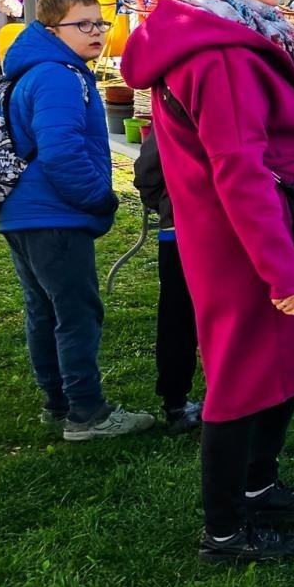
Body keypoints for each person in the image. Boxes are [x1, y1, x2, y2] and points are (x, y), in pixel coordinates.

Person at [121, 0, 294, 564]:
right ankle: (224, 532)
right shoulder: (220, 55)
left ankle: (258, 485)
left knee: (287, 357)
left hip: (244, 232)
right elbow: (238, 170)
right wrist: (275, 266)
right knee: (242, 378)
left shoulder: (220, 36)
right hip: (243, 239)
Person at [0, 0, 153, 441]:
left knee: (44, 311)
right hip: (53, 215)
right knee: (75, 314)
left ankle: (59, 402)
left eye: (100, 23)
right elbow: (62, 151)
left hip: (24, 213)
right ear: (52, 30)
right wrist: (99, 199)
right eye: (82, 25)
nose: (97, 33)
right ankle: (87, 413)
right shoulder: (58, 76)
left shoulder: (37, 70)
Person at [131, 126, 204, 435]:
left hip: (179, 227)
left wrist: (166, 203)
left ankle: (176, 402)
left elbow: (146, 174)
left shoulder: (174, 107)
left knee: (177, 315)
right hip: (217, 228)